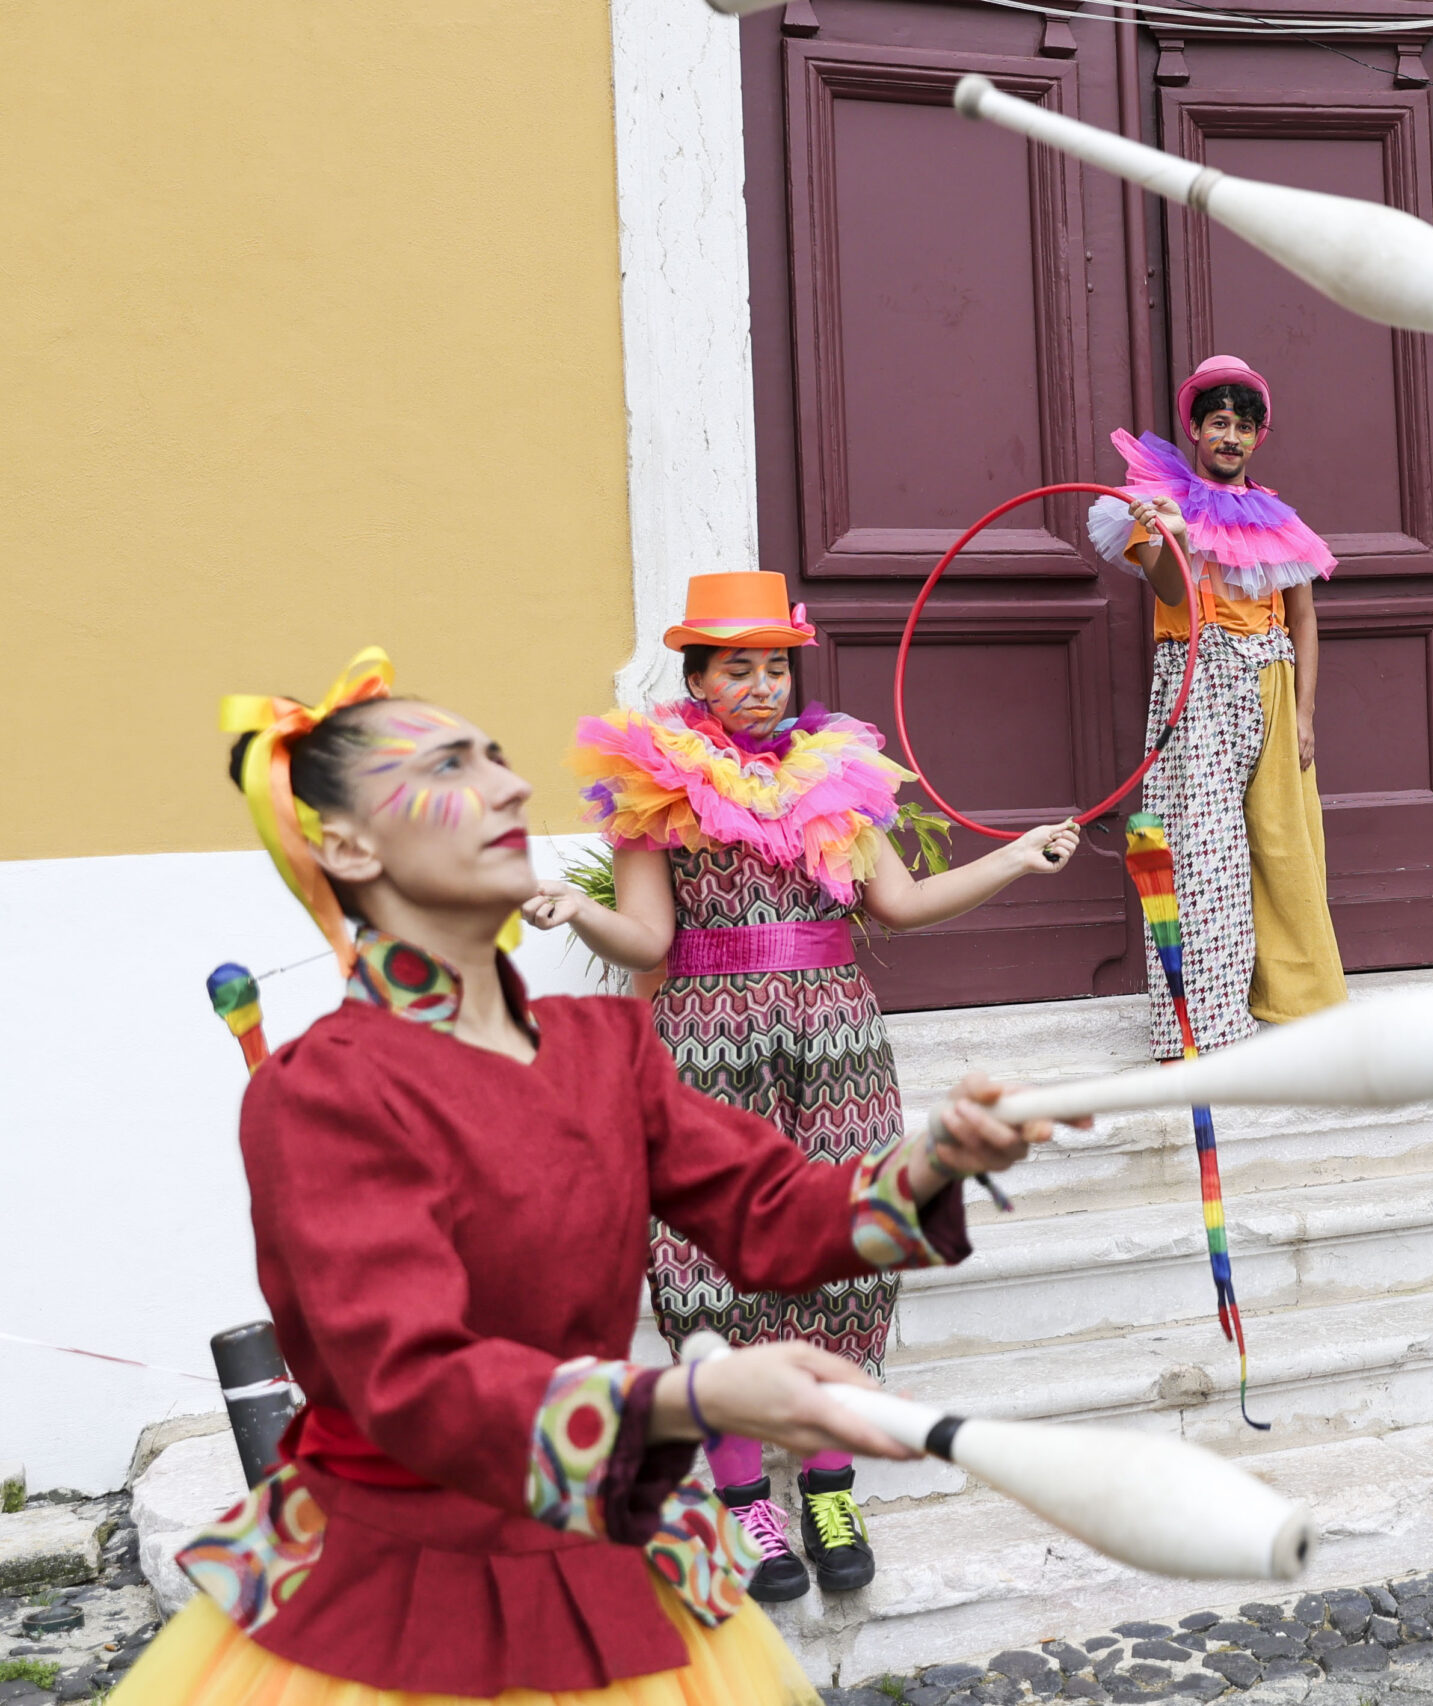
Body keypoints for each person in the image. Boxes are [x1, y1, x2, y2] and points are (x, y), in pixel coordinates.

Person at [123, 647, 1061, 1706]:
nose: (510, 785)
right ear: (343, 844)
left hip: (598, 1546)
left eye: (498, 758)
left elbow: (771, 1211)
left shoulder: (602, 1046)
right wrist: (693, 1392)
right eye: (449, 767)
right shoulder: (321, 1092)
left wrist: (938, 1155)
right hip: (398, 1592)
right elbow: (412, 1383)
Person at [521, 570, 1079, 1601]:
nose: (764, 683)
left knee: (848, 1236)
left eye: (776, 663)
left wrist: (1018, 859)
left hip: (834, 1035)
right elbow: (646, 934)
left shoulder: (840, 775)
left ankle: (827, 1478)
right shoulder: (659, 786)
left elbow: (900, 905)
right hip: (704, 1036)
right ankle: (744, 1499)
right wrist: (573, 909)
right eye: (739, 665)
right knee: (703, 1252)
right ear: (696, 675)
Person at [1086, 355, 1348, 1060]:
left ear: (1258, 437)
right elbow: (1172, 591)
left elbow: (1304, 618)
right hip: (1196, 683)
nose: (1229, 436)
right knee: (1201, 850)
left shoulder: (1277, 518)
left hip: (1270, 678)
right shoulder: (1155, 501)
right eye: (1217, 423)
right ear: (1196, 430)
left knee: (1285, 841)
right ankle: (1204, 1022)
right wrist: (1169, 530)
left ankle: (1300, 1002)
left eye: (1242, 425)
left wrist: (1306, 713)